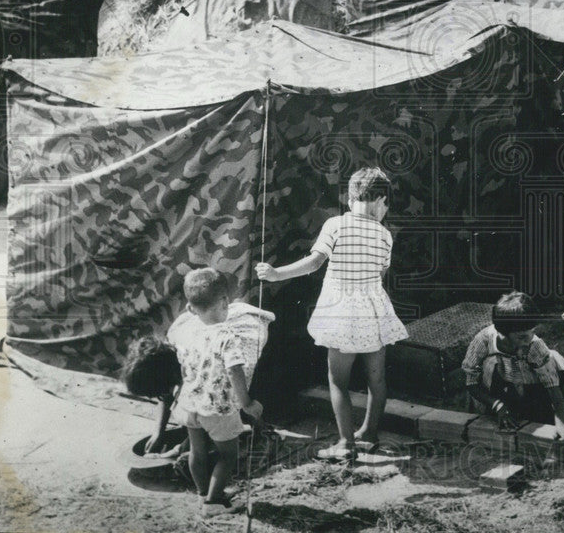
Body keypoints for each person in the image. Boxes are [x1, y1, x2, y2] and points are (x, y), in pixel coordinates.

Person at [255, 166, 408, 459]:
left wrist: (276, 274)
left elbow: (314, 263)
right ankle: (370, 432)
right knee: (376, 379)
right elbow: (382, 272)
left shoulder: (336, 225)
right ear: (382, 203)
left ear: (351, 200)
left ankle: (346, 443)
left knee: (338, 380)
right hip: (374, 311)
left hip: (342, 312)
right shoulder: (386, 235)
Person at [167, 268, 264, 516]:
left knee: (197, 452)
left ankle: (202, 494)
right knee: (228, 454)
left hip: (190, 405)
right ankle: (214, 502)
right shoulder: (228, 337)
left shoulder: (186, 333)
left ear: (190, 309)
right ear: (225, 302)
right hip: (217, 409)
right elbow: (234, 372)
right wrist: (247, 403)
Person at [462, 291, 564, 441]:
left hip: (532, 384)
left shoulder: (534, 346)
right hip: (504, 383)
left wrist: (561, 422)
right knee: (491, 365)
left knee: (540, 416)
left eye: (531, 333)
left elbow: (552, 386)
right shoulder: (483, 341)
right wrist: (497, 405)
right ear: (503, 333)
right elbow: (471, 382)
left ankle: (536, 408)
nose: (528, 340)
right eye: (521, 336)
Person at [120, 336, 184, 457]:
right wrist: (158, 432)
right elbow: (166, 395)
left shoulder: (197, 373)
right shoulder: (166, 358)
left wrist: (183, 447)